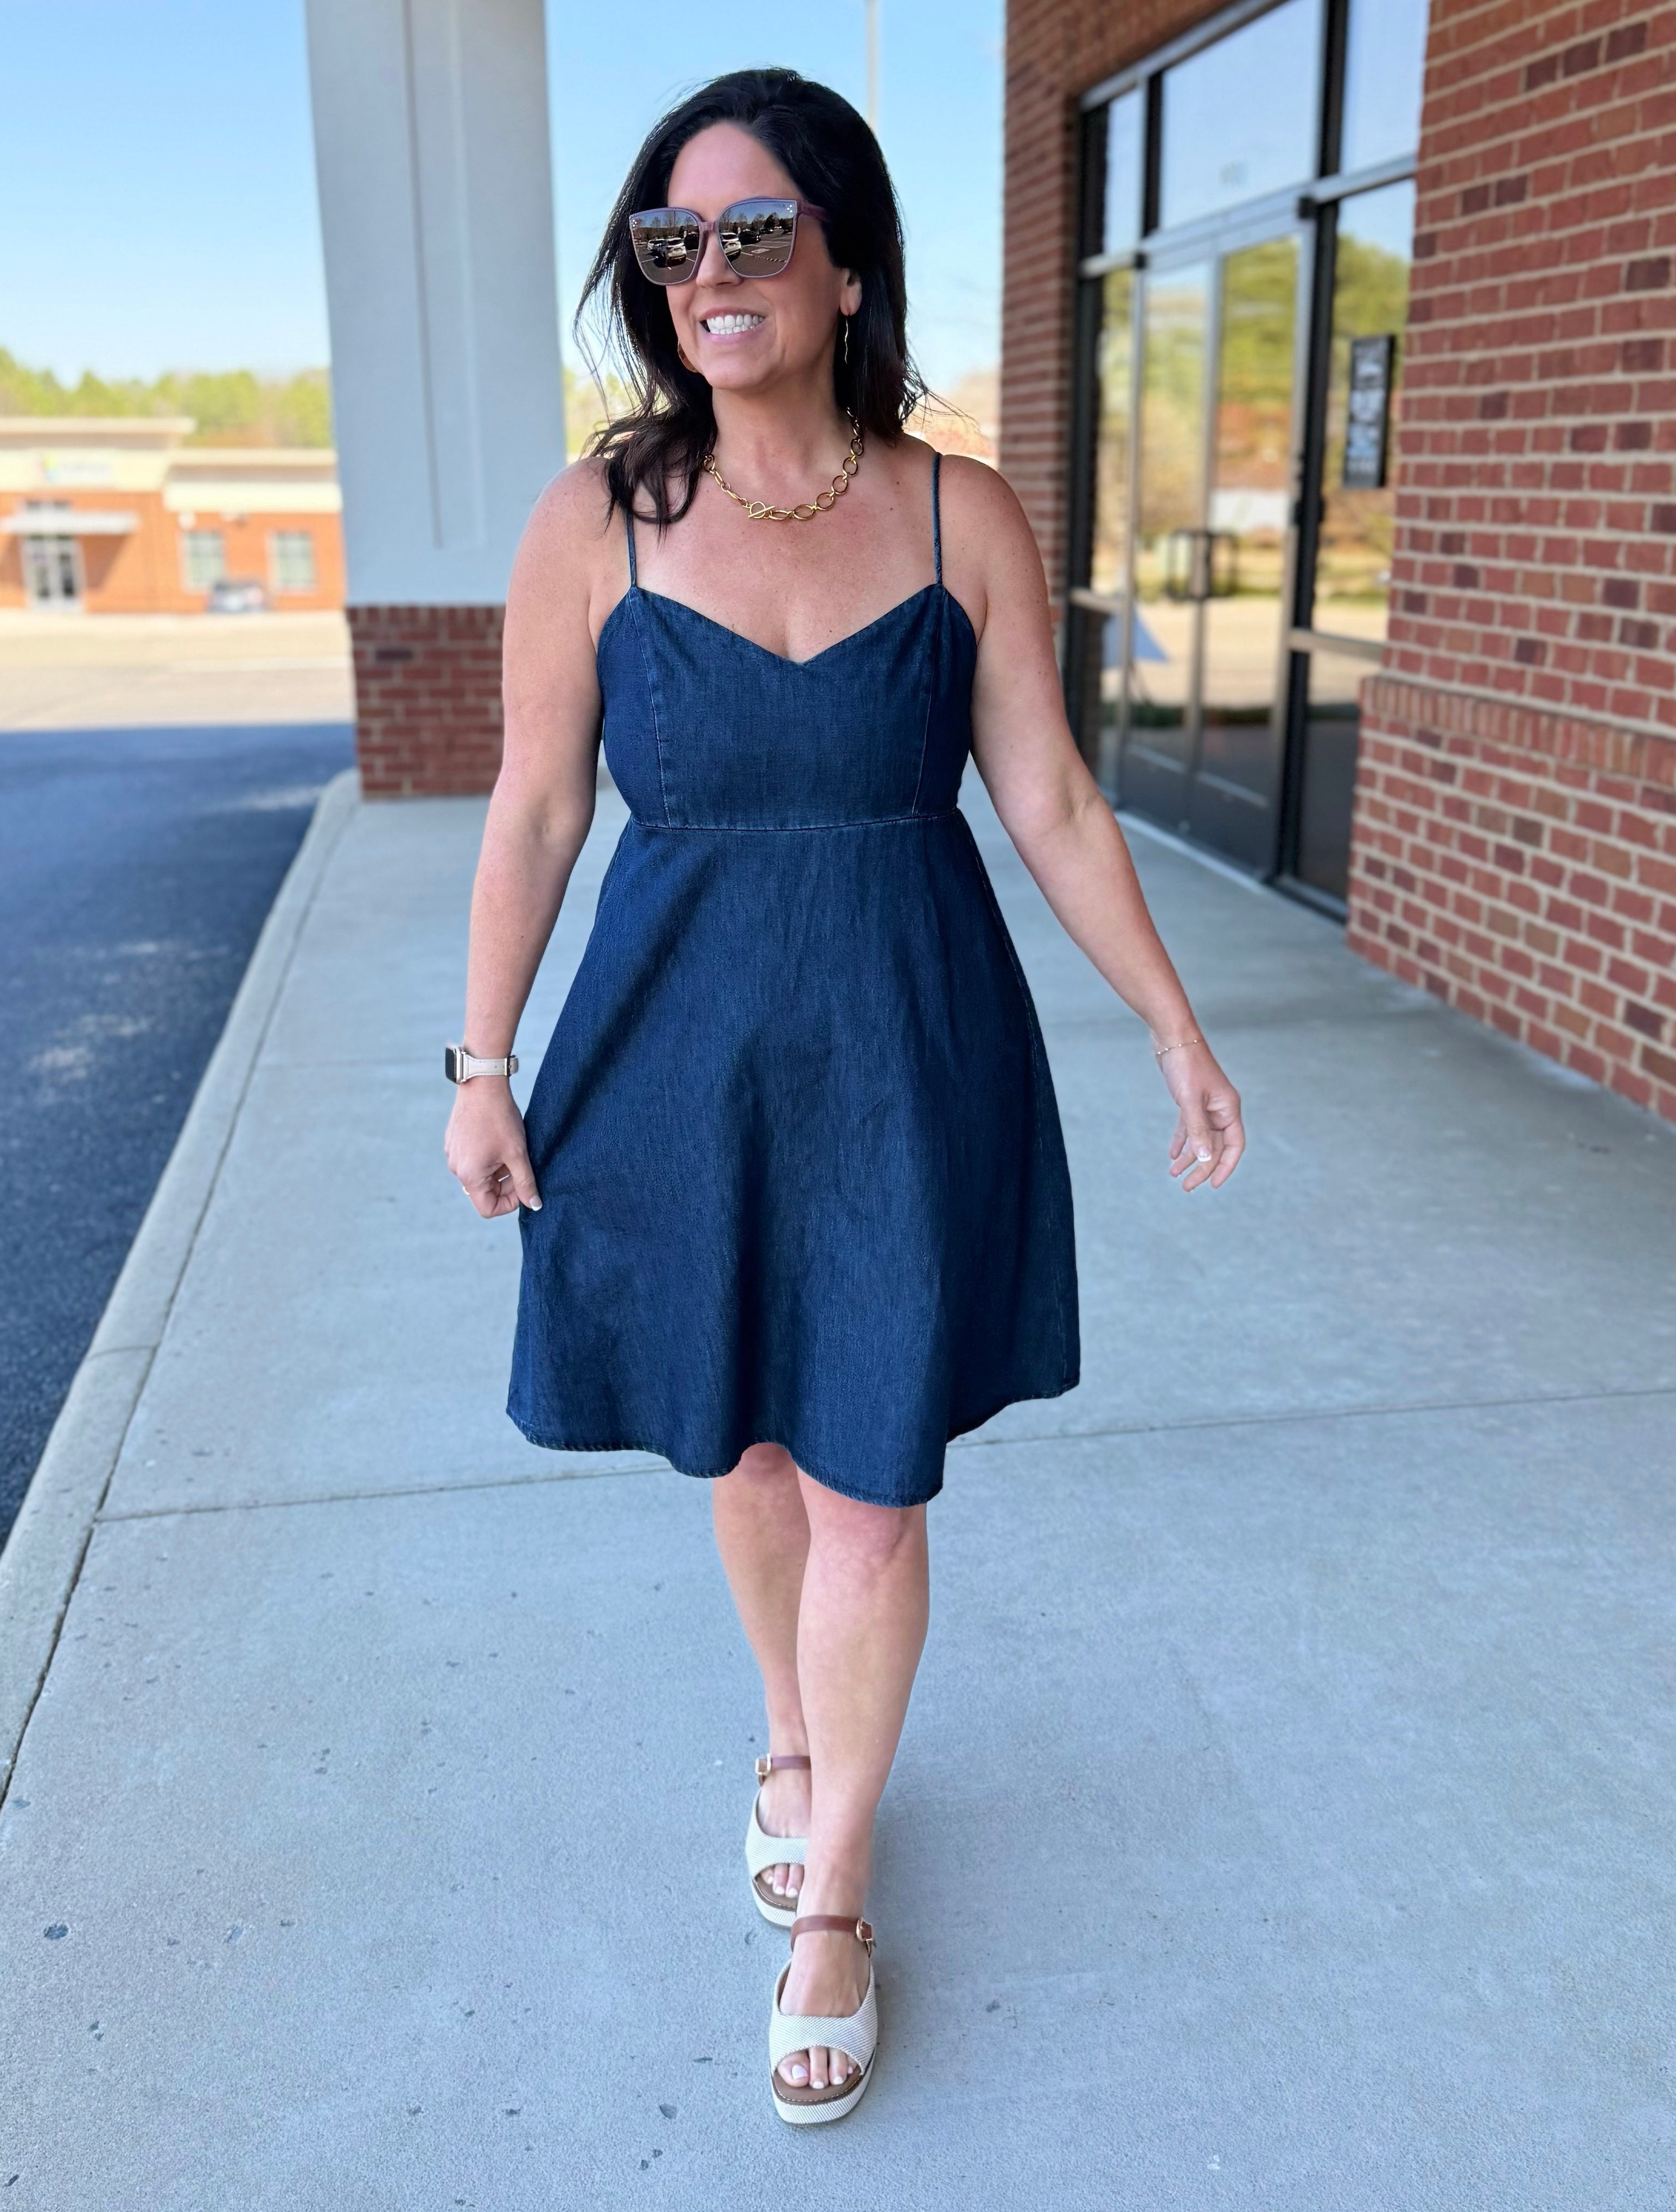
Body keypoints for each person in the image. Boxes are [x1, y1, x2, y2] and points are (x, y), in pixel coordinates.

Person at [444, 67, 1245, 2125]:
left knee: (876, 1477)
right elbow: (535, 811)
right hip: (671, 1060)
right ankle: (788, 1742)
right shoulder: (591, 523)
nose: (710, 274)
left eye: (754, 232)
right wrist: (481, 1061)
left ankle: (840, 1893)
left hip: (906, 1045)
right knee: (750, 1451)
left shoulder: (961, 511)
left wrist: (1171, 1019)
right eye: (672, 242)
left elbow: (1050, 796)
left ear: (847, 258)